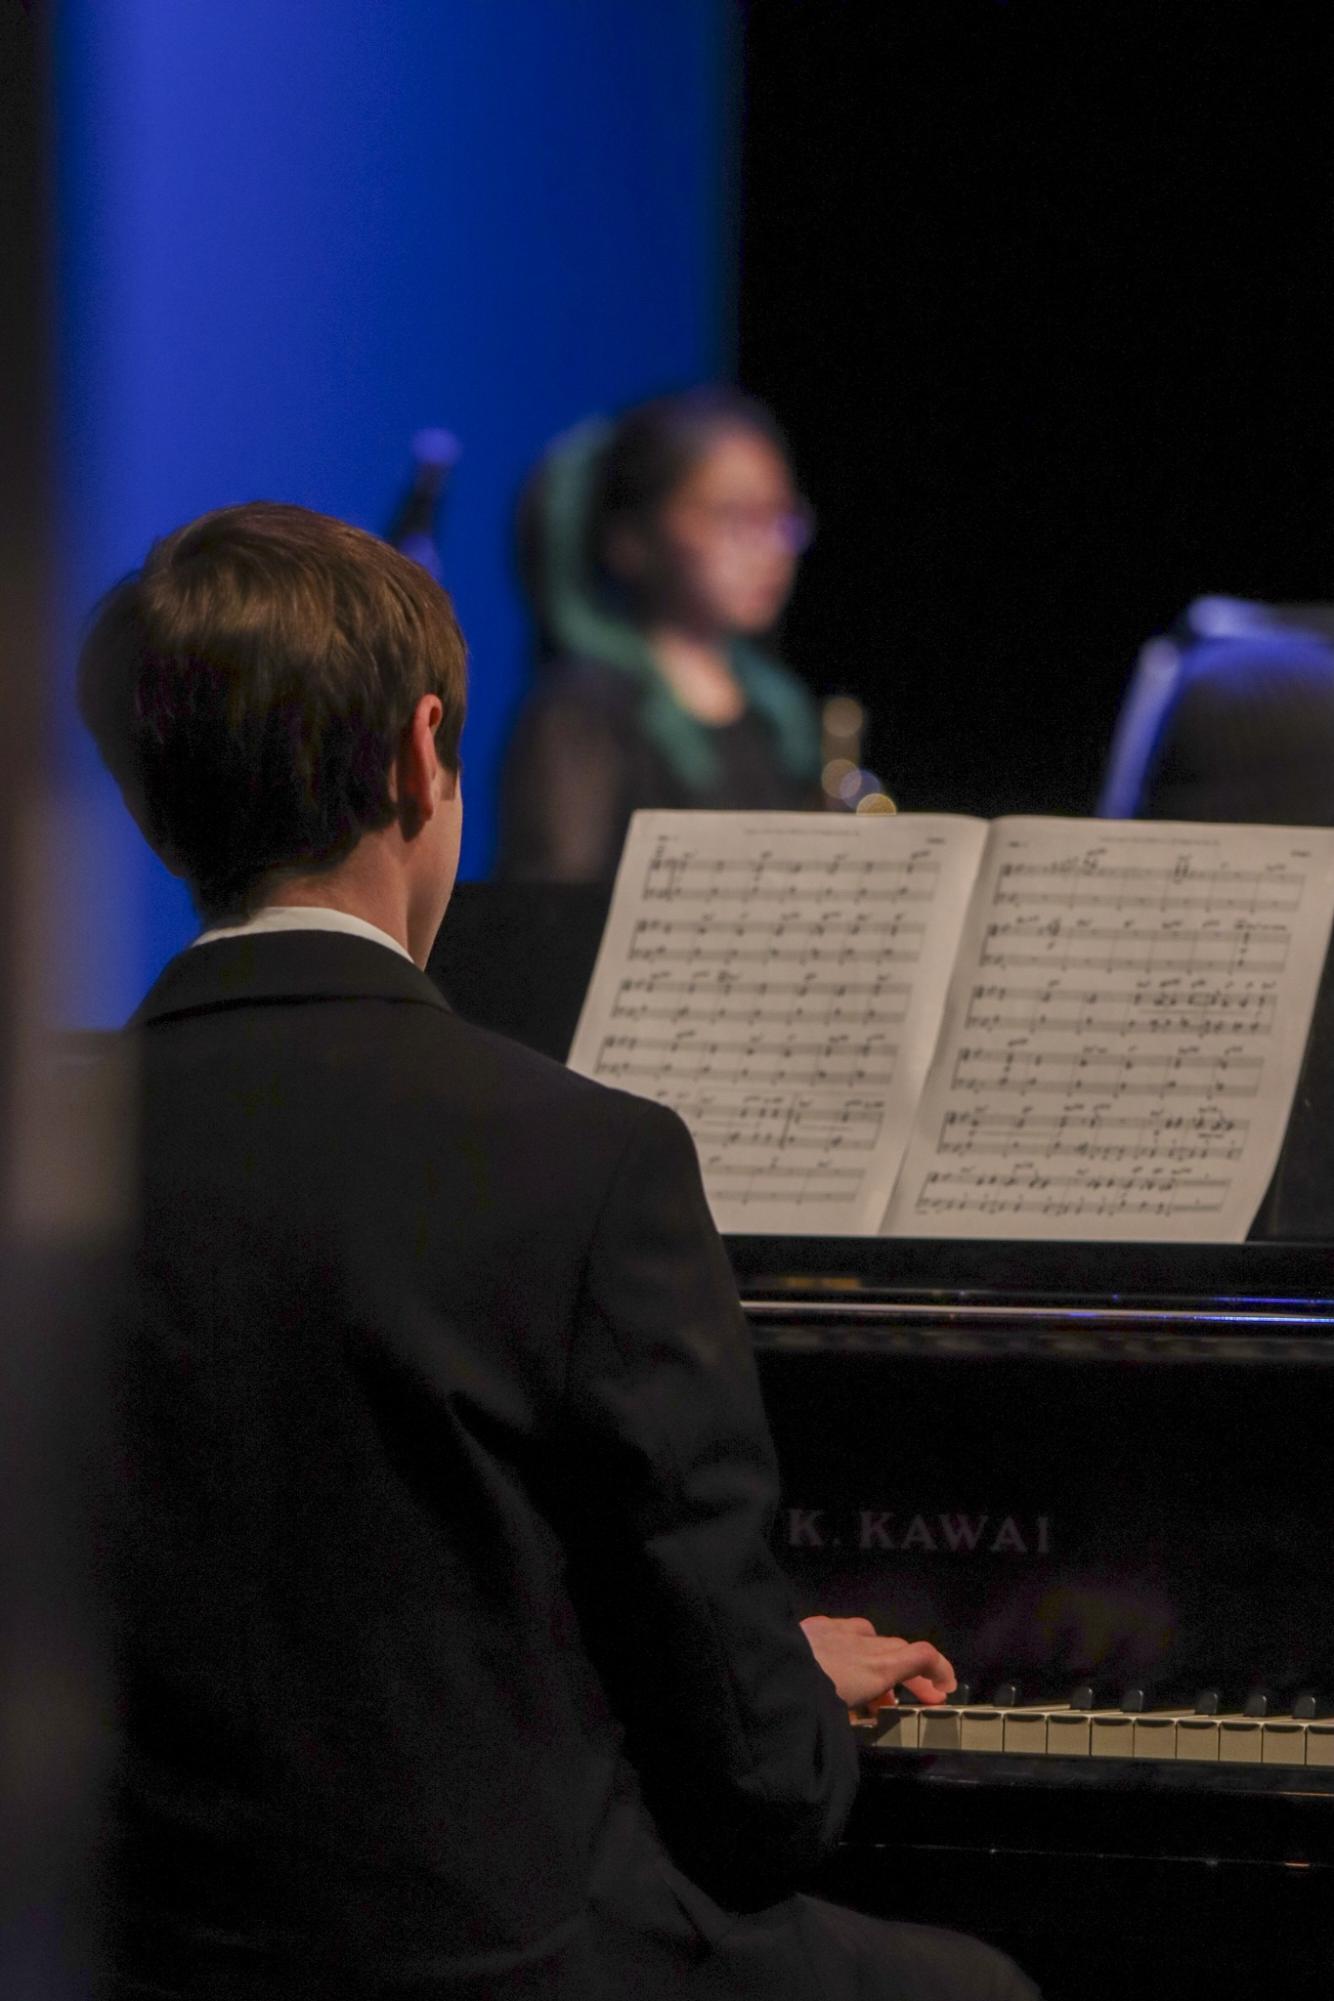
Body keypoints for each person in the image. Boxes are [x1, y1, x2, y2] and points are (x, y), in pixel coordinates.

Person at [79, 502, 1037, 2000]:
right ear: (419, 754)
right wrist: (766, 1684)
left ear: (150, 801)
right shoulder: (588, 1163)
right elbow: (757, 1804)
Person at [498, 386, 823, 881]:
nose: (769, 548)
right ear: (631, 541)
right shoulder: (583, 709)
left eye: (780, 517)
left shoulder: (775, 709)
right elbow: (551, 909)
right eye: (733, 516)